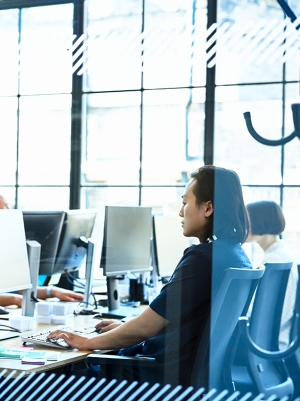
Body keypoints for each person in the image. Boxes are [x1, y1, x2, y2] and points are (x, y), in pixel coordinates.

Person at [49, 165, 251, 386]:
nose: (181, 212)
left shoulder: (202, 260)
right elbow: (181, 323)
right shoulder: (235, 256)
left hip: (156, 379)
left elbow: (146, 328)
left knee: (59, 375)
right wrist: (125, 327)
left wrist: (88, 341)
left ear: (208, 208)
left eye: (185, 202)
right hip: (192, 380)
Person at [0, 193, 83, 307]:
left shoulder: (4, 248)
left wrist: (52, 291)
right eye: (5, 207)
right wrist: (16, 299)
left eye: (9, 206)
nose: (10, 211)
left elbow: (18, 289)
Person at [246, 200, 295, 347]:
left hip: (265, 343)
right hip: (271, 339)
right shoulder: (281, 255)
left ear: (258, 223)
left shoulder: (274, 260)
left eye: (246, 221)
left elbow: (259, 314)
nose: (242, 226)